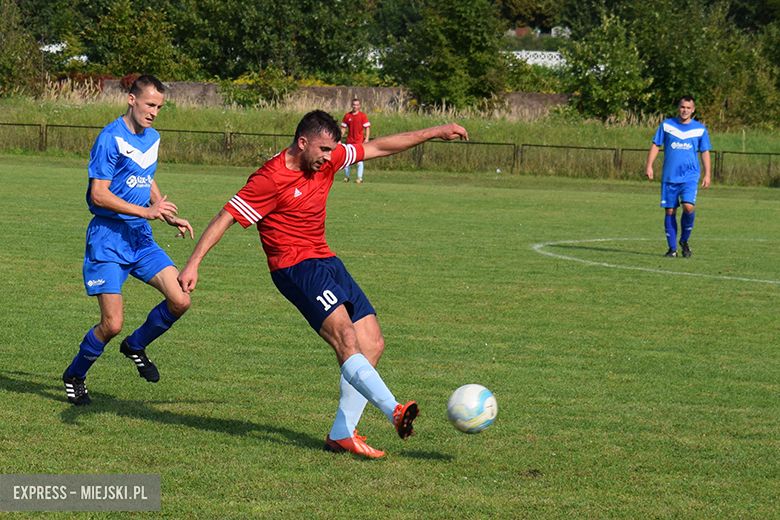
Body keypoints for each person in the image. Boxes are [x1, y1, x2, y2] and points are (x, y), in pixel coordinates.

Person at [177, 110, 468, 458]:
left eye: (334, 150)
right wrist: (194, 262)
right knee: (347, 339)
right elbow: (226, 216)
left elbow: (377, 147)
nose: (331, 158)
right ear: (303, 143)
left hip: (326, 260)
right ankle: (394, 410)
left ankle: (341, 434)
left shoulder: (327, 160)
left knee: (372, 343)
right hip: (294, 267)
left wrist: (436, 131)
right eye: (325, 150)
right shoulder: (269, 179)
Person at [62, 74, 194, 406]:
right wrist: (145, 211)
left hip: (140, 237)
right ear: (131, 100)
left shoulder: (153, 138)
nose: (154, 112)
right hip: (108, 239)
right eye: (150, 104)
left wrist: (162, 210)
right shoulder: (110, 138)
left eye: (160, 107)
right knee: (112, 323)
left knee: (180, 300)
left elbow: (143, 174)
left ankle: (136, 346)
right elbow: (99, 195)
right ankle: (75, 374)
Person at [645, 95, 711, 258]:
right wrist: (649, 165)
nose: (685, 110)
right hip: (670, 176)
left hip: (690, 176)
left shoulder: (700, 129)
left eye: (688, 108)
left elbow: (705, 151)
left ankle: (685, 241)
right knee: (670, 210)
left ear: (693, 110)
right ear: (678, 108)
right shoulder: (667, 125)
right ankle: (672, 249)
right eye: (682, 107)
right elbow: (656, 144)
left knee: (688, 206)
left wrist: (708, 174)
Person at [341, 99, 370, 183]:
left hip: (359, 142)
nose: (355, 106)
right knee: (347, 160)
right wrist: (339, 138)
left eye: (357, 105)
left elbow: (367, 128)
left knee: (359, 161)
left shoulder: (362, 116)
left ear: (359, 106)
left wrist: (367, 138)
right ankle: (346, 177)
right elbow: (343, 128)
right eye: (354, 105)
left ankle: (359, 178)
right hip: (349, 141)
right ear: (352, 105)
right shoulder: (347, 116)